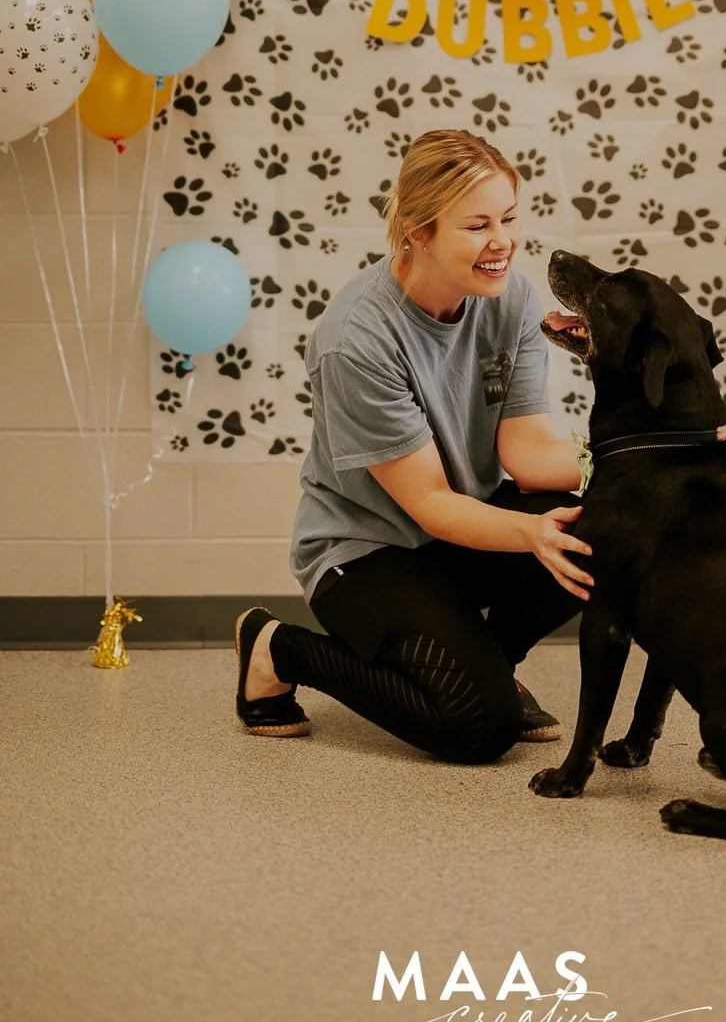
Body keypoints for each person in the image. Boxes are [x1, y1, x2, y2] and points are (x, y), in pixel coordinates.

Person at [233, 127, 595, 764]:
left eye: (509, 218)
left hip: (457, 534)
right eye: (477, 225)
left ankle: (490, 662)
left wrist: (636, 451)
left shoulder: (512, 298)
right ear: (417, 231)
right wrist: (528, 536)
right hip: (369, 550)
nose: (503, 243)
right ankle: (277, 647)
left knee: (601, 532)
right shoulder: (356, 339)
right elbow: (427, 500)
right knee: (481, 731)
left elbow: (530, 457)